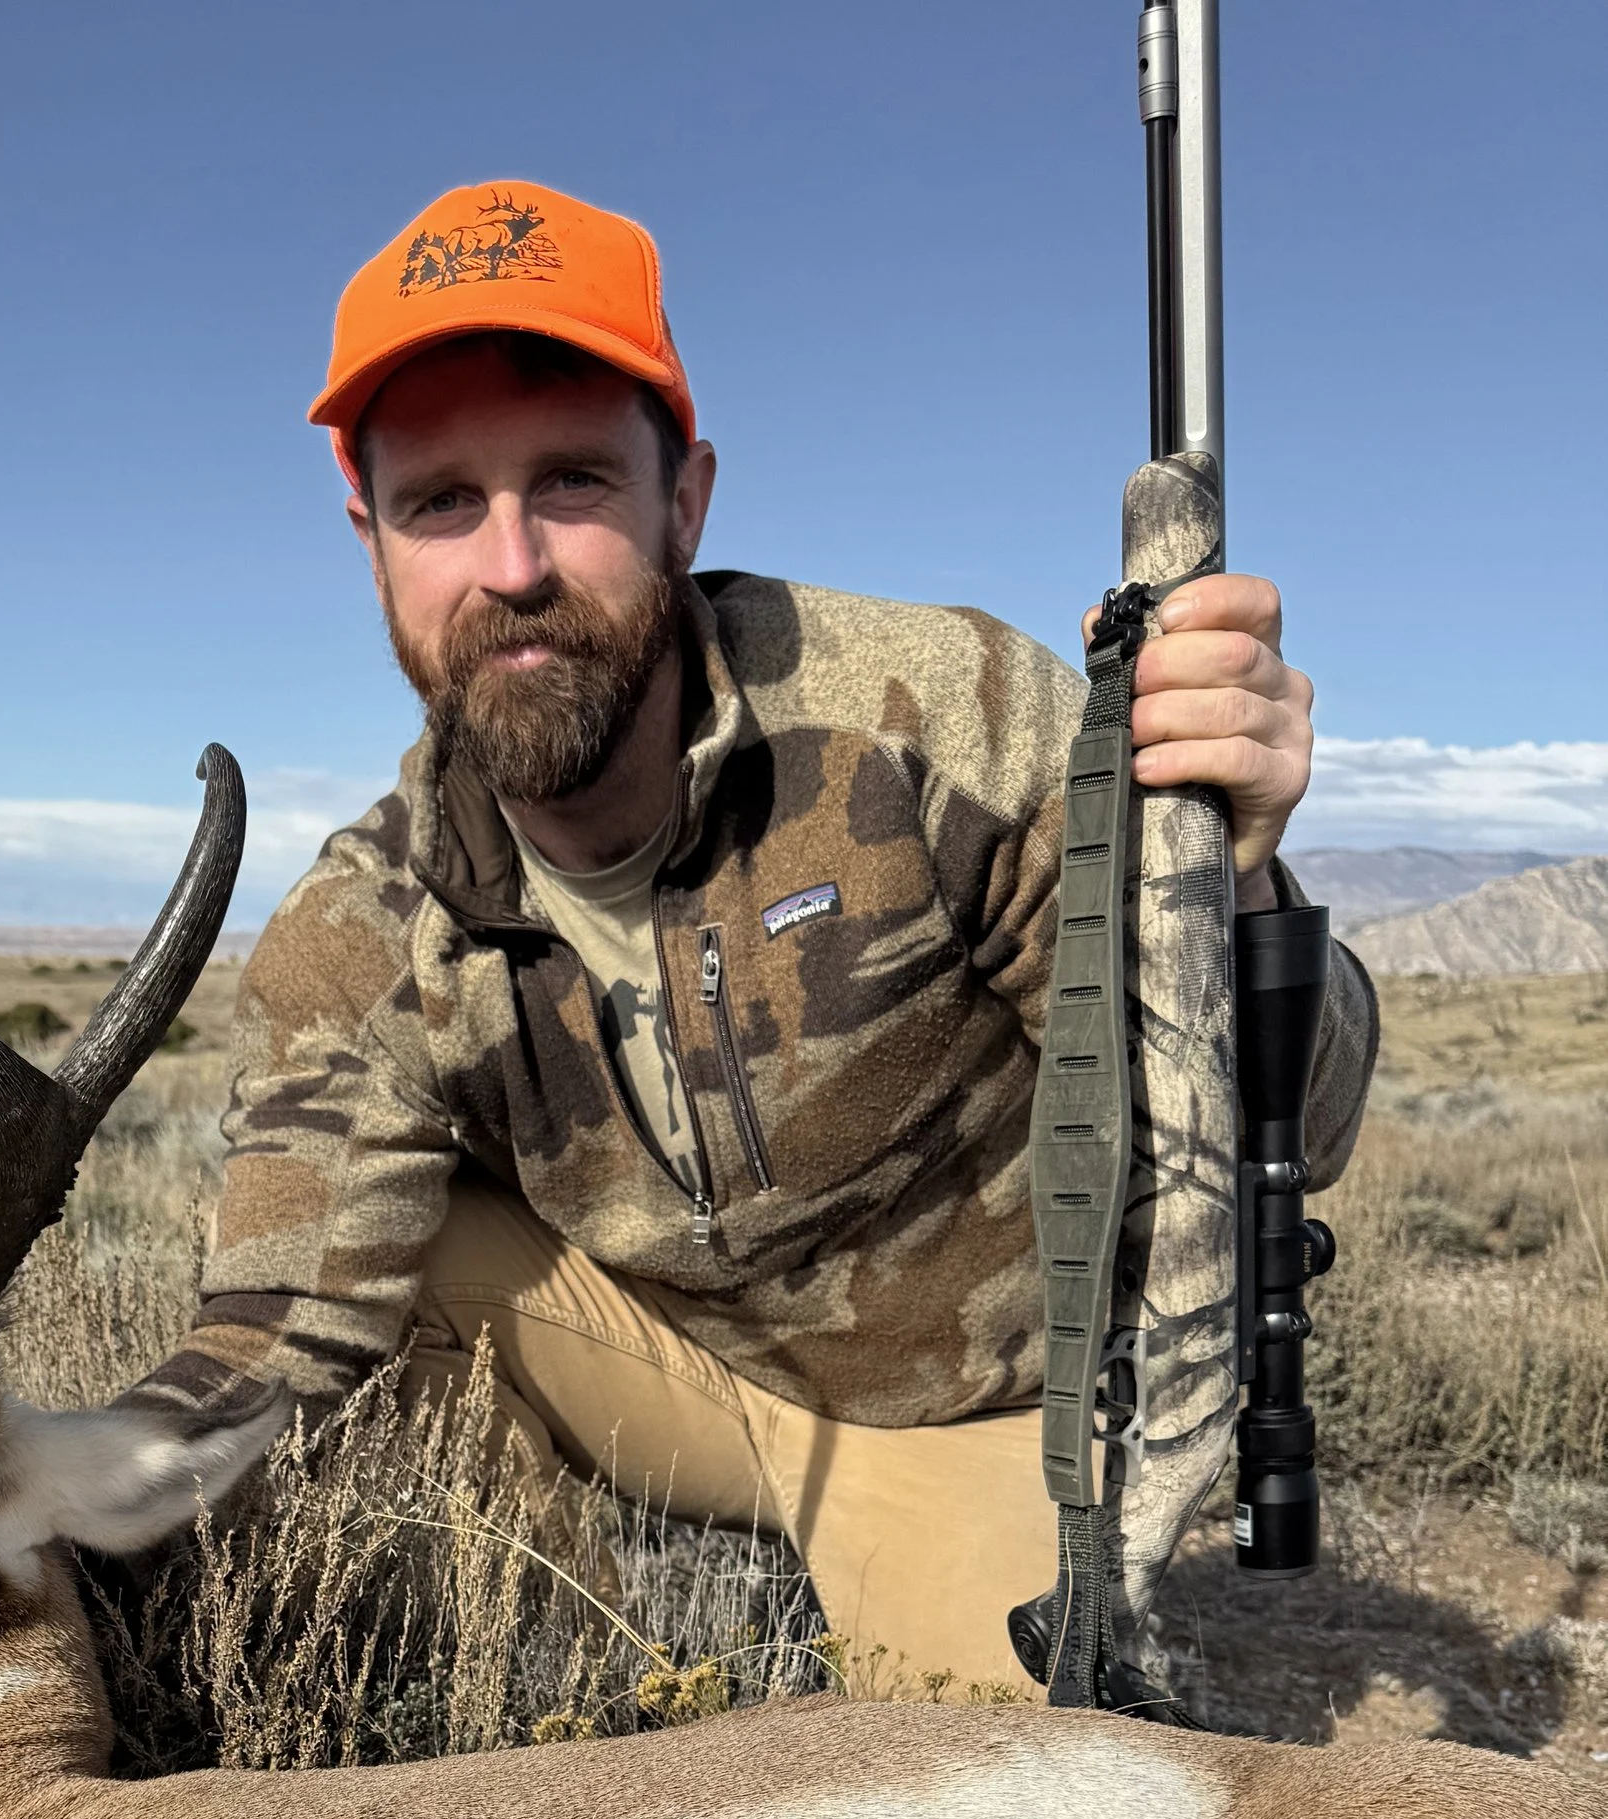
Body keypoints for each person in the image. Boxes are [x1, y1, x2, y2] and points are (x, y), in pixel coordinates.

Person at [126, 180, 1376, 1700]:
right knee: (395, 1292)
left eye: (574, 483)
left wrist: (1234, 883)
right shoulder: (359, 930)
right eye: (440, 502)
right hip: (683, 1380)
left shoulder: (947, 719)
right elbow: (268, 1342)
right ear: (372, 542)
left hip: (981, 1414)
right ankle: (577, 1718)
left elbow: (1293, 1128)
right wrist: (22, 1487)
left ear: (687, 499)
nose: (510, 563)